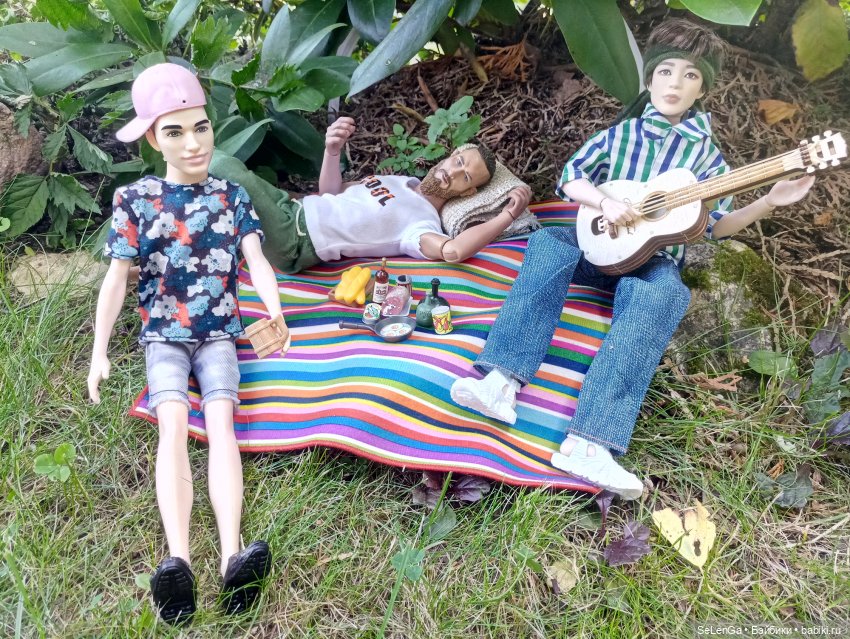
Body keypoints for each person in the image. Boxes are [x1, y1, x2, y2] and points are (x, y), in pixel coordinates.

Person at [449, 19, 815, 499]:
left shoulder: (707, 158)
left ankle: (590, 442)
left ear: (703, 88)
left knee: (664, 295)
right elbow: (571, 177)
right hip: (595, 244)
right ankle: (500, 379)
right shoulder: (621, 135)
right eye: (666, 71)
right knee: (548, 245)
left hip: (651, 259)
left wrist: (768, 200)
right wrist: (604, 202)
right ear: (650, 78)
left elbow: (717, 226)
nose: (675, 83)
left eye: (690, 75)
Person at [87, 63, 281, 625]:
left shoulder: (231, 196)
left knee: (222, 425)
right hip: (164, 337)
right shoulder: (135, 200)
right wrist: (99, 350)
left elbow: (256, 259)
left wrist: (274, 309)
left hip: (219, 334)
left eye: (200, 127)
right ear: (153, 139)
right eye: (174, 132)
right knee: (172, 425)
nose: (193, 143)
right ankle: (178, 561)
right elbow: (115, 279)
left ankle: (231, 556)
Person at [207, 117, 532, 272]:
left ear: (468, 192)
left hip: (296, 239)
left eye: (465, 177)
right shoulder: (399, 181)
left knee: (224, 168)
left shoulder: (422, 224)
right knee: (221, 193)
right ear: (450, 155)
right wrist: (332, 151)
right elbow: (332, 192)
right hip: (291, 208)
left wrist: (506, 216)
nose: (454, 172)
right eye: (458, 162)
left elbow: (453, 251)